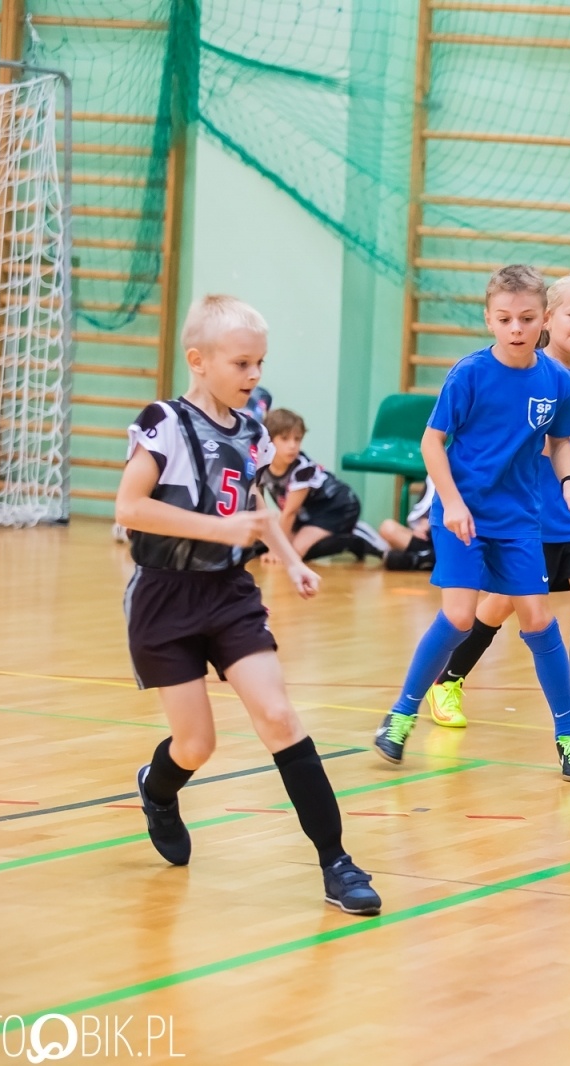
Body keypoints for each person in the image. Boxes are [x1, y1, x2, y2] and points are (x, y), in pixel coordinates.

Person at [115, 294, 380, 916]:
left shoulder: (254, 433)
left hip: (230, 594)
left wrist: (291, 562)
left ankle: (336, 863)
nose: (254, 376)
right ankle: (158, 790)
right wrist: (219, 530)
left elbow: (258, 511)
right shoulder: (165, 423)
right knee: (196, 745)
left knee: (280, 716)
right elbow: (129, 507)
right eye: (241, 364)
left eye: (259, 363)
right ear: (198, 361)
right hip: (164, 596)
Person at [372, 265, 570, 782]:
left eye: (525, 318)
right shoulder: (469, 373)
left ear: (543, 319)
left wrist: (569, 484)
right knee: (458, 617)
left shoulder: (555, 379)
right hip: (462, 512)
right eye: (504, 318)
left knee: (539, 621)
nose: (515, 328)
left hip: (518, 520)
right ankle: (402, 714)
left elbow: (561, 442)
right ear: (489, 320)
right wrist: (451, 502)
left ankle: (568, 737)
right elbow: (432, 442)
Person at [425, 275, 570, 746]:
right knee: (499, 607)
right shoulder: (522, 372)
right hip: (529, 513)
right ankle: (449, 680)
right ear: (547, 318)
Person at [257, 407, 385, 562]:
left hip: (339, 507)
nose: (292, 445)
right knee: (279, 543)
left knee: (296, 551)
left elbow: (290, 513)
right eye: (285, 439)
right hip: (309, 513)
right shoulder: (262, 465)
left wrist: (275, 551)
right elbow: (258, 504)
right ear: (269, 440)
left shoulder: (303, 469)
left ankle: (355, 537)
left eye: (297, 439)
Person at [380, 478, 436, 572]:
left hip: (453, 536)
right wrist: (423, 522)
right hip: (429, 539)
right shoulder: (432, 476)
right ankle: (427, 558)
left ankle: (421, 560)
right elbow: (424, 508)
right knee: (388, 527)